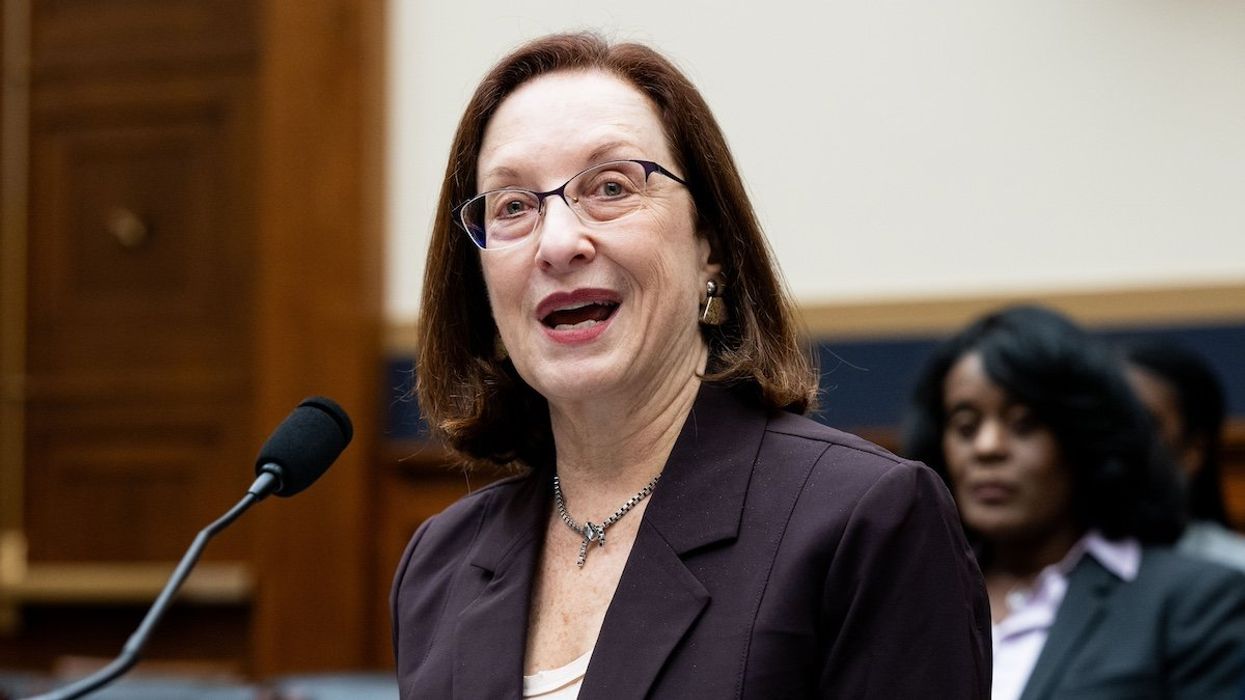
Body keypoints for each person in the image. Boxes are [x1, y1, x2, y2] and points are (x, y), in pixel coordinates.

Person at [391, 32, 990, 699]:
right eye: (511, 207)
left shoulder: (863, 519)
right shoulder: (440, 564)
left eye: (611, 186)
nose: (557, 243)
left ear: (709, 243)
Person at [904, 304, 1245, 700]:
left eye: (1024, 424)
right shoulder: (914, 594)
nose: (987, 448)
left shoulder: (1193, 599)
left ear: (1085, 436)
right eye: (965, 426)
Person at [1123, 339, 1245, 572]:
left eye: (1143, 423)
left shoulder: (1234, 572)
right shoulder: (1050, 568)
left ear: (1192, 452)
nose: (1118, 439)